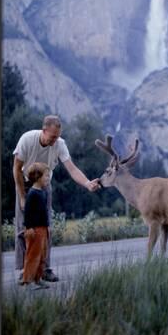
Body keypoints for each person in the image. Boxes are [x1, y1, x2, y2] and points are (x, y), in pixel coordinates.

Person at [13, 114, 100, 282]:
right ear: (44, 130)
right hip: (25, 184)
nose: (55, 140)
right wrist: (22, 196)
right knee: (23, 229)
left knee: (45, 229)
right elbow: (16, 169)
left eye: (58, 136)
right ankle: (24, 270)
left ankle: (44, 268)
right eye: (53, 136)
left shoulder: (60, 144)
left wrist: (88, 183)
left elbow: (72, 169)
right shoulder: (27, 139)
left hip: (45, 187)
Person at [20, 162, 51, 290]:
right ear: (38, 177)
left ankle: (38, 279)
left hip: (43, 229)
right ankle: (28, 281)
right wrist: (29, 228)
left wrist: (48, 226)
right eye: (46, 176)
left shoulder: (43, 192)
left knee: (42, 255)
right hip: (34, 230)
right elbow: (27, 213)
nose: (48, 178)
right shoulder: (32, 194)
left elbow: (44, 212)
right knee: (33, 255)